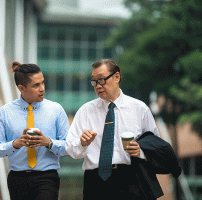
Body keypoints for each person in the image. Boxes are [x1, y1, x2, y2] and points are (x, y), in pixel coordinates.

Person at [66, 59, 162, 199]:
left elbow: (155, 146)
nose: (98, 86)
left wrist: (140, 151)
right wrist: (82, 143)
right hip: (95, 181)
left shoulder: (139, 109)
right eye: (94, 82)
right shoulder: (85, 111)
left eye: (102, 80)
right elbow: (70, 149)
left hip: (131, 178)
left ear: (117, 77)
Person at [0, 61, 70, 200]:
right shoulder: (5, 112)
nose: (42, 88)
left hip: (47, 177)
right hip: (17, 179)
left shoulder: (56, 110)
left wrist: (48, 142)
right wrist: (15, 144)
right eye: (36, 85)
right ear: (21, 88)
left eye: (43, 83)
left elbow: (69, 146)